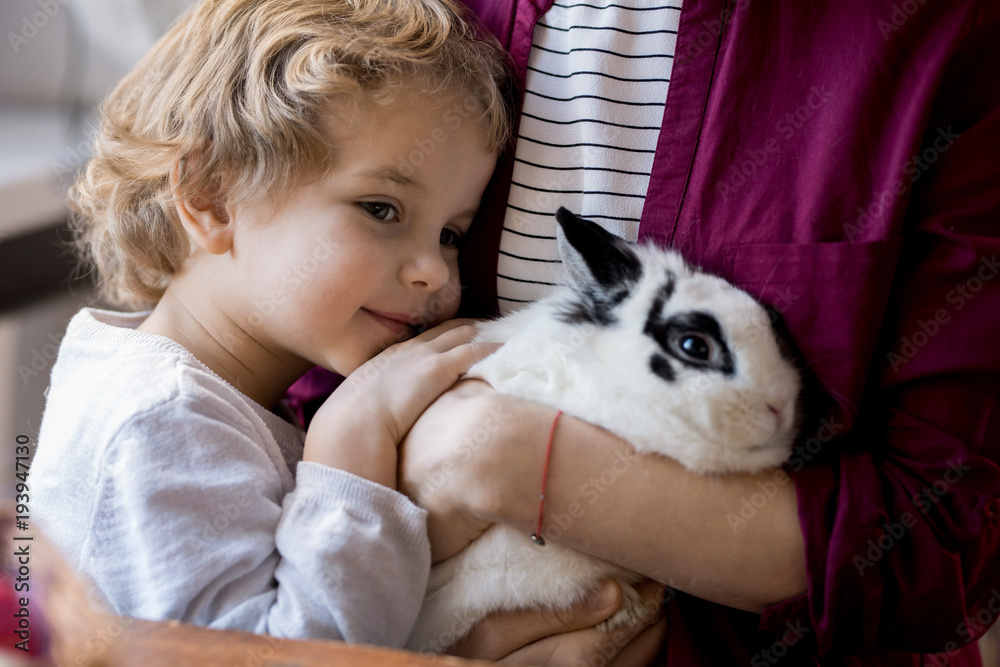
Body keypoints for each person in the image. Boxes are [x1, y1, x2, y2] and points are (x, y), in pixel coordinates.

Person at [387, 0, 1000, 664]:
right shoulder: (417, 23)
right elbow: (298, 368)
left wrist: (503, 459)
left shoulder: (943, 29)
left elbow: (949, 538)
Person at [30, 0, 531, 647]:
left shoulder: (181, 391)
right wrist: (354, 444)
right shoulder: (163, 419)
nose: (433, 271)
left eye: (451, 233)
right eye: (382, 208)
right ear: (212, 196)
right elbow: (282, 655)